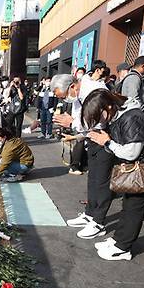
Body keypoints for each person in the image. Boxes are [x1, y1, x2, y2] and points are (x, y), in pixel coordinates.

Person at [81, 89, 144, 261]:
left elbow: (131, 152)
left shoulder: (133, 117)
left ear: (109, 106)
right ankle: (118, 239)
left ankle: (123, 247)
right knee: (128, 202)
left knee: (135, 207)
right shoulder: (120, 114)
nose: (99, 121)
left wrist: (107, 142)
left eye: (98, 116)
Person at [51, 75, 117, 239]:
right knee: (93, 178)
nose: (65, 99)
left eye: (64, 95)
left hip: (103, 139)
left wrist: (71, 123)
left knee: (102, 182)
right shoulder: (78, 95)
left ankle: (99, 222)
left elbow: (97, 120)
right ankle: (90, 214)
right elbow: (80, 120)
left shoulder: (93, 91)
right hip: (91, 138)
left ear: (72, 86)